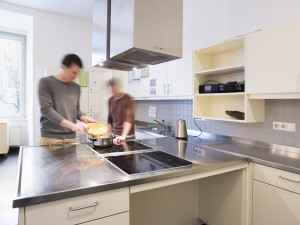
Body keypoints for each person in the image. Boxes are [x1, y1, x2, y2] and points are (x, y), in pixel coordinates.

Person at [38, 54, 96, 145]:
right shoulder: (45, 82)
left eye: (78, 73)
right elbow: (46, 110)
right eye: (74, 72)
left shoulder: (76, 87)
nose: (76, 76)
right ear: (63, 67)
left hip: (71, 139)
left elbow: (76, 109)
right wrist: (72, 126)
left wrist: (83, 118)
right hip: (51, 138)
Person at [107, 78, 135, 144]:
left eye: (115, 89)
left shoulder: (127, 98)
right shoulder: (110, 100)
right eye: (112, 91)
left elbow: (129, 118)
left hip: (127, 137)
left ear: (118, 87)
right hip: (114, 136)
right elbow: (110, 119)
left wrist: (123, 136)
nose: (114, 92)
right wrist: (107, 134)